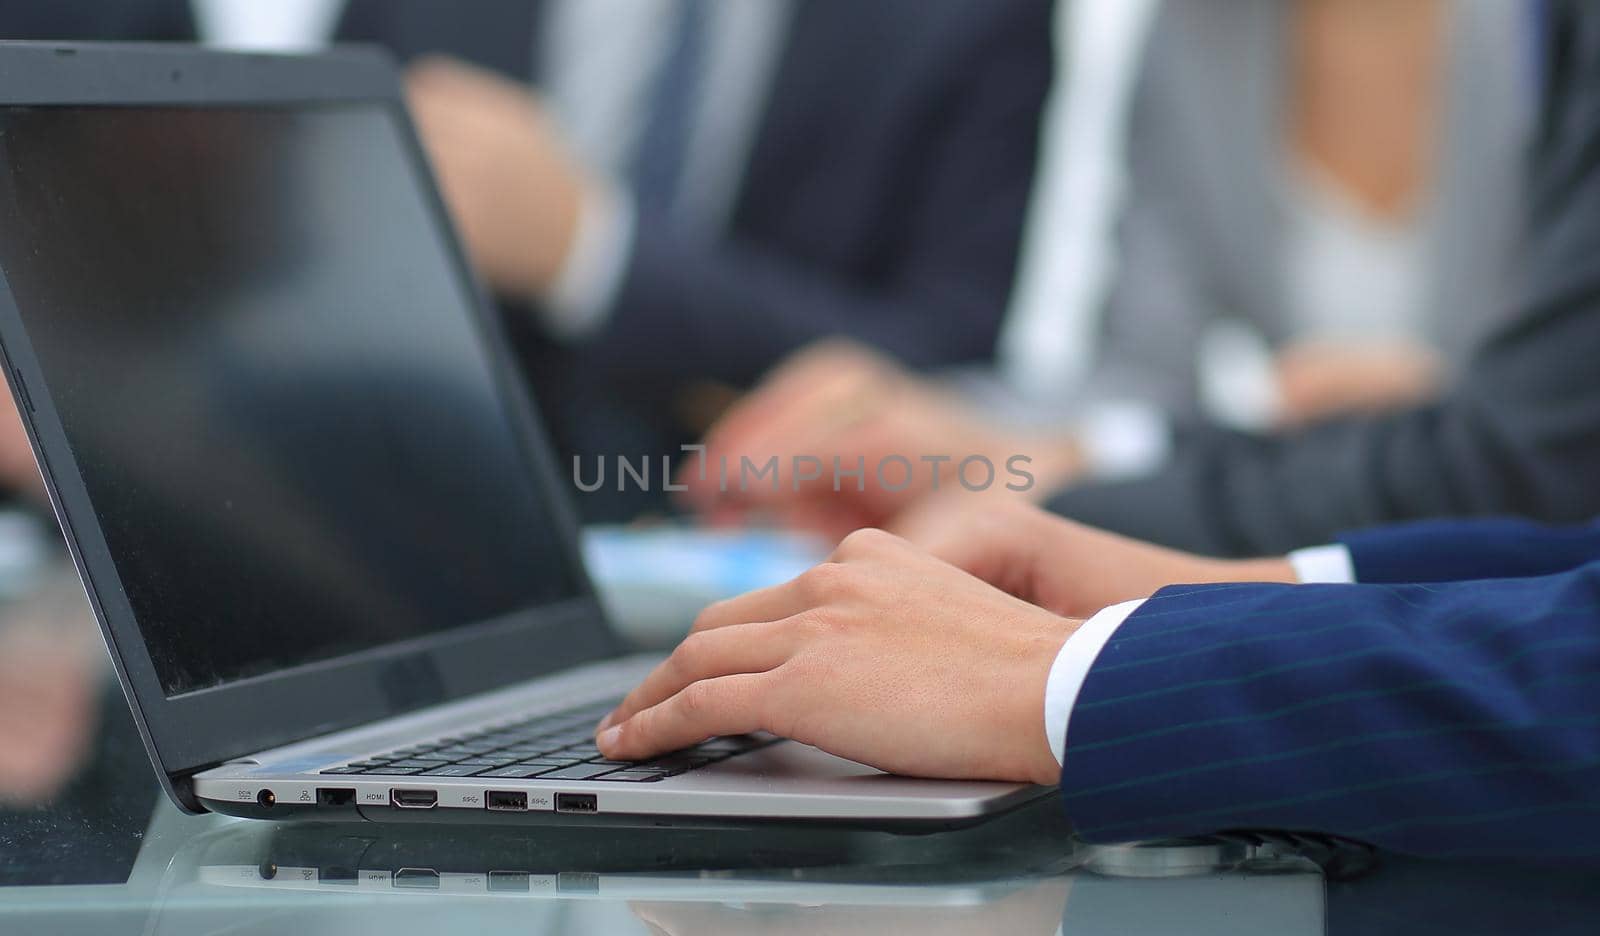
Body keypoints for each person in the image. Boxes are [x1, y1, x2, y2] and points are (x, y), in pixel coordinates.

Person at [593, 2, 1600, 858]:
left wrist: (1068, 675)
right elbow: (1577, 570)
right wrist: (1185, 574)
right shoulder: (1193, 39)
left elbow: (1531, 459)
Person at [678, 0, 1558, 551]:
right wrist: (956, 429)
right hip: (1316, 547)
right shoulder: (1193, 34)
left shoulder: (1556, 32)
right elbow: (1145, 376)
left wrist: (1465, 401)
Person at [337, 0, 1053, 520]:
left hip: (776, 573)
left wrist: (595, 251)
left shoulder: (972, 19)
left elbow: (944, 376)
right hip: (419, 530)